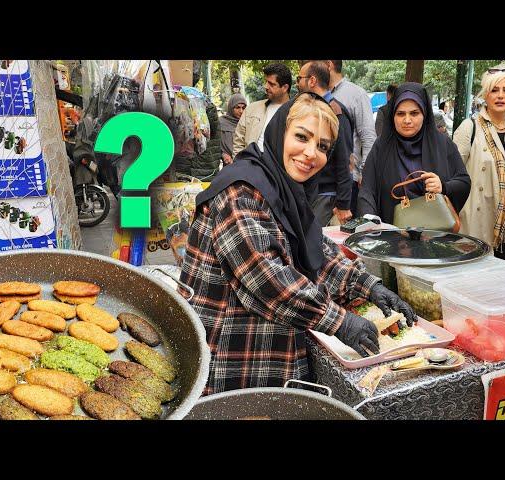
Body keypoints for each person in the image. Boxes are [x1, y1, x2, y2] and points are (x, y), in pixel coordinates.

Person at [178, 93, 417, 395]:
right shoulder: (241, 191)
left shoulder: (286, 190)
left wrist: (369, 285)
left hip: (270, 352)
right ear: (280, 132)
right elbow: (267, 278)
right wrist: (339, 322)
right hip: (228, 359)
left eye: (322, 147)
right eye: (301, 137)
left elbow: (318, 252)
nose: (310, 153)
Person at [453, 65, 505, 266]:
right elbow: (451, 175)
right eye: (494, 90)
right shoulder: (469, 127)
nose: (500, 96)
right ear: (485, 94)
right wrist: (451, 214)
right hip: (477, 219)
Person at [358, 82, 471, 224]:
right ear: (392, 116)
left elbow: (463, 182)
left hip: (435, 236)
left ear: (424, 114)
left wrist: (443, 186)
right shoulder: (382, 146)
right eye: (400, 114)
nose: (407, 120)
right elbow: (367, 191)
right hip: (391, 236)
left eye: (414, 113)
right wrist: (371, 225)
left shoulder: (442, 145)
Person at [297, 60, 353, 226]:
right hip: (310, 193)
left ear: (312, 80)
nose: (297, 83)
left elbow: (345, 161)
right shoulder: (310, 109)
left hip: (326, 197)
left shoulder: (335, 112)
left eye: (299, 78)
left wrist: (343, 203)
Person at [327, 60, 378, 213]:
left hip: (349, 181)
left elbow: (368, 137)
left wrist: (365, 173)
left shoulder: (356, 94)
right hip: (322, 182)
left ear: (328, 65)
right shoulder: (316, 94)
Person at [232, 63, 292, 158]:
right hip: (250, 166)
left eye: (271, 84)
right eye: (266, 82)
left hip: (278, 169)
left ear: (285, 88)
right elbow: (238, 141)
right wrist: (239, 163)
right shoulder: (252, 109)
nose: (266, 86)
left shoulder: (296, 112)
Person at [219, 93, 247, 166]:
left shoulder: (247, 123)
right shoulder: (221, 123)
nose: (241, 111)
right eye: (237, 107)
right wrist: (223, 154)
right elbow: (215, 145)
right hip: (229, 165)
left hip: (246, 164)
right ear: (231, 108)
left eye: (243, 108)